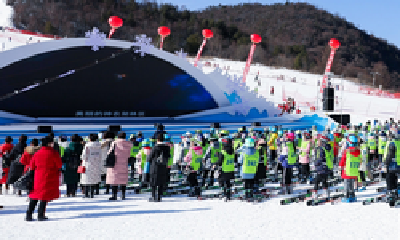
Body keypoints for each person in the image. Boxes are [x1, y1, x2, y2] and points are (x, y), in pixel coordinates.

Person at [25, 136, 62, 221]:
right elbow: (59, 164)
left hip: (37, 176)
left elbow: (32, 165)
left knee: (34, 195)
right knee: (44, 196)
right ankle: (41, 214)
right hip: (49, 176)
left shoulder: (37, 153)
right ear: (49, 144)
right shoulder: (53, 153)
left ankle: (29, 214)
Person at [106, 132, 132, 201]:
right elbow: (129, 154)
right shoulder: (128, 144)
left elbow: (109, 152)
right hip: (124, 163)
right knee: (123, 179)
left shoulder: (114, 143)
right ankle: (123, 195)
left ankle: (114, 195)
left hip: (115, 163)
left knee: (115, 179)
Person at [146, 133, 171, 202]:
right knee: (161, 182)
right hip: (163, 166)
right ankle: (159, 196)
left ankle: (153, 196)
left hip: (155, 166)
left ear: (157, 139)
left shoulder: (155, 147)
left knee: (153, 182)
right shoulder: (167, 147)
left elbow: (149, 157)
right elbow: (169, 156)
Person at [339, 135, 361, 203]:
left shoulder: (347, 151)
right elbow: (359, 161)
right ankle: (352, 195)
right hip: (354, 171)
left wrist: (340, 167)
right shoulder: (358, 151)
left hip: (347, 171)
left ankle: (346, 196)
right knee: (351, 183)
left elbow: (343, 160)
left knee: (346, 184)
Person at [80, 134, 102, 198]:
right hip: (96, 164)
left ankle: (86, 194)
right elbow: (100, 155)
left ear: (90, 139)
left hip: (88, 164)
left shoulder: (87, 146)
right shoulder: (99, 146)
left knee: (87, 179)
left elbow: (84, 156)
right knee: (93, 179)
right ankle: (92, 193)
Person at [383, 130, 399, 205]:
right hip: (398, 165)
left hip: (392, 165)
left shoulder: (392, 143)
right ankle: (395, 194)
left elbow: (390, 155)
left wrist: (386, 164)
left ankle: (391, 196)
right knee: (395, 180)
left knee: (389, 180)